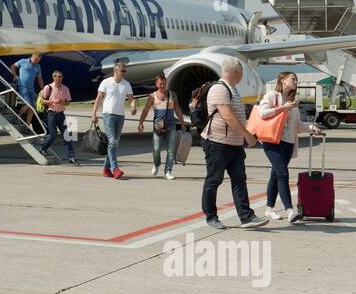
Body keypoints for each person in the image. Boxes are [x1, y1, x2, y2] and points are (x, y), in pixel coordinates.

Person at [200, 57, 268, 229]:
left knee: (239, 180)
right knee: (214, 180)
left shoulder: (233, 90)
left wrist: (251, 131)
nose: (243, 74)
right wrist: (248, 136)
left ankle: (246, 217)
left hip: (234, 144)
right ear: (236, 72)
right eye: (242, 71)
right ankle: (211, 217)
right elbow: (228, 117)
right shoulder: (219, 89)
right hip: (218, 143)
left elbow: (238, 117)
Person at [256, 71, 322, 223]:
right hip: (272, 141)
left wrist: (311, 127)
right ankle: (290, 210)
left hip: (288, 144)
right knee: (283, 174)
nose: (296, 82)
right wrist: (283, 108)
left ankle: (269, 209)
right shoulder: (272, 95)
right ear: (283, 80)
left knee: (275, 175)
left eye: (296, 80)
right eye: (293, 79)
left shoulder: (292, 102)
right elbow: (262, 113)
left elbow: (297, 126)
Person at [92, 61, 136, 178]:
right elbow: (98, 99)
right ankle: (115, 169)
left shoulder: (126, 84)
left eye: (125, 71)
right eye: (123, 71)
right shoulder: (106, 82)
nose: (124, 73)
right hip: (108, 115)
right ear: (116, 71)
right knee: (112, 141)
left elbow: (131, 99)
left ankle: (106, 169)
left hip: (120, 116)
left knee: (114, 144)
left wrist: (133, 106)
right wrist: (94, 114)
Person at [137, 74, 184, 179]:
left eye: (164, 83)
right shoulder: (152, 96)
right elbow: (145, 110)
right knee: (156, 149)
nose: (162, 85)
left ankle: (168, 171)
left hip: (171, 125)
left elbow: (178, 109)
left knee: (171, 150)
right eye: (160, 83)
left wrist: (182, 122)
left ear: (166, 83)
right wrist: (141, 122)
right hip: (158, 126)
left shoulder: (173, 95)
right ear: (156, 84)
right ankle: (156, 164)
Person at [37, 70, 78, 165]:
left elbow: (68, 102)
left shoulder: (65, 89)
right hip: (51, 113)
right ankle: (42, 148)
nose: (59, 79)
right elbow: (42, 100)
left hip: (61, 114)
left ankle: (71, 157)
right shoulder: (48, 87)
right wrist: (50, 102)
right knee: (53, 135)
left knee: (67, 136)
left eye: (61, 77)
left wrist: (63, 102)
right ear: (53, 77)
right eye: (57, 77)